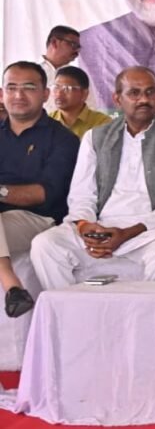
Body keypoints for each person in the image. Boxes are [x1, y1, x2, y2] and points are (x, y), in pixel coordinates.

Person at [30, 67, 155, 290]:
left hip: (152, 229)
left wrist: (128, 233)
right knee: (45, 244)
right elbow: (82, 195)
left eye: (150, 92)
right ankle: (70, 308)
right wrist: (85, 226)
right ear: (117, 99)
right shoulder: (95, 137)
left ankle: (149, 311)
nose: (144, 99)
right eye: (134, 93)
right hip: (102, 225)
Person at [0, 62, 80, 317]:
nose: (18, 95)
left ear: (45, 94)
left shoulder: (63, 139)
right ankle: (13, 289)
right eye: (11, 87)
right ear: (2, 94)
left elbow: (44, 194)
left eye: (28, 87)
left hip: (39, 219)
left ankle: (11, 285)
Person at [49, 66, 111, 138]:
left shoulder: (102, 123)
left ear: (84, 94)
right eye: (56, 87)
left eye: (67, 89)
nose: (59, 94)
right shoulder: (47, 121)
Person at [40, 26, 81, 112]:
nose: (77, 52)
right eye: (73, 45)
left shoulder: (78, 76)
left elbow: (91, 108)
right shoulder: (30, 73)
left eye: (78, 47)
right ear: (54, 42)